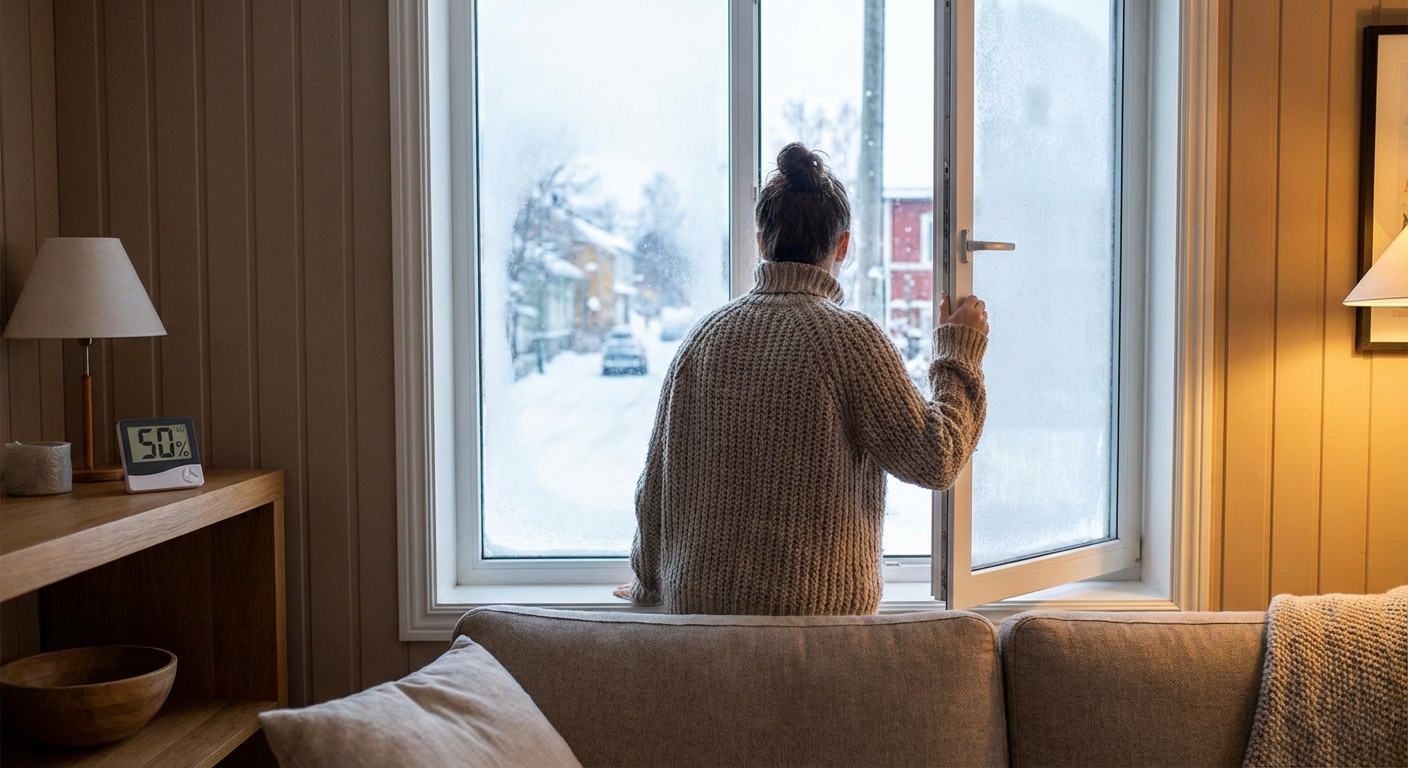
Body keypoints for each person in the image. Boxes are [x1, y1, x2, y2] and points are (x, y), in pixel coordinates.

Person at [617, 142, 989, 615]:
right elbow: (937, 458)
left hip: (699, 637)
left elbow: (655, 489)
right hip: (817, 643)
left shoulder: (701, 339)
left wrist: (647, 585)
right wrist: (958, 351)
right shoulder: (851, 341)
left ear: (760, 241)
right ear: (843, 245)